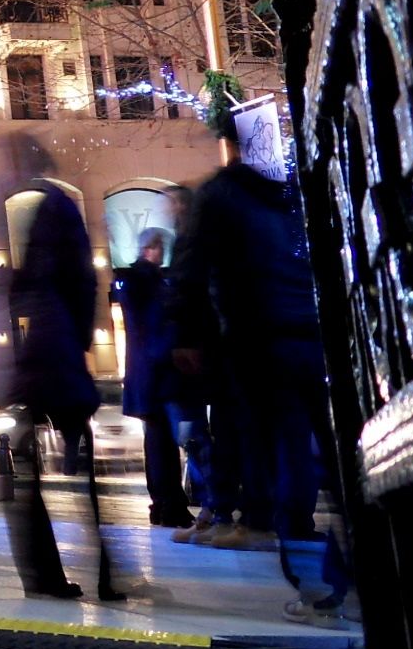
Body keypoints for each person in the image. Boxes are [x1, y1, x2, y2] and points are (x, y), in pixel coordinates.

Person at [170, 138, 348, 621]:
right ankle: (347, 576)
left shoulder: (223, 194)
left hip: (259, 339)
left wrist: (187, 333)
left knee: (278, 454)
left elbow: (190, 266)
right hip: (313, 333)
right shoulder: (298, 189)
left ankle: (316, 585)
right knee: (331, 459)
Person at [2, 133, 120, 600]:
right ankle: (96, 576)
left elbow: (53, 285)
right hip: (58, 358)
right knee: (73, 479)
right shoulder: (58, 209)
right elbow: (78, 286)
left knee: (36, 478)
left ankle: (48, 576)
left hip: (52, 360)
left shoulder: (51, 210)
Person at [121, 226, 193, 527]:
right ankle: (170, 505)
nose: (161, 251)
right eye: (158, 246)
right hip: (158, 376)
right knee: (167, 442)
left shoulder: (137, 280)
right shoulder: (148, 281)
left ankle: (164, 504)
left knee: (159, 442)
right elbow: (155, 328)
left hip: (146, 376)